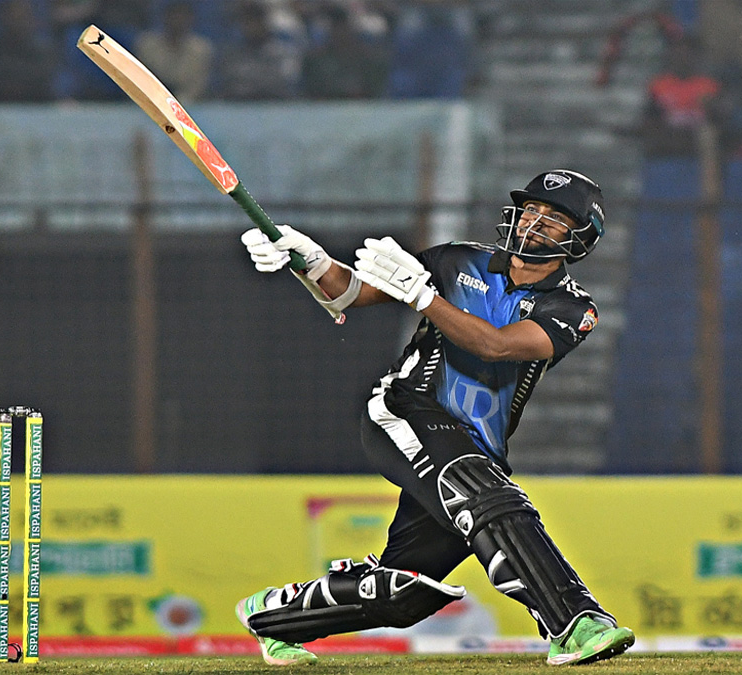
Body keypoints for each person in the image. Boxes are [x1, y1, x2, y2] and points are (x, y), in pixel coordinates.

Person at [236, 170, 635, 666]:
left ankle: (272, 616)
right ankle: (575, 624)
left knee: (402, 593)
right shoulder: (456, 259)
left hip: (477, 446)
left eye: (554, 218)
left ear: (580, 237)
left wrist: (425, 299)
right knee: (487, 496)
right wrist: (310, 260)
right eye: (531, 209)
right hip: (406, 410)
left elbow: (497, 346)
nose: (534, 221)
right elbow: (350, 293)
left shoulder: (573, 307)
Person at [134, 1, 215, 102]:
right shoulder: (147, 45)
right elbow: (141, 78)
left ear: (190, 20)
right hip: (150, 100)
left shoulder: (201, 49)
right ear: (165, 18)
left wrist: (177, 103)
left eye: (182, 17)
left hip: (189, 104)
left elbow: (198, 85)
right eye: (174, 17)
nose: (178, 21)